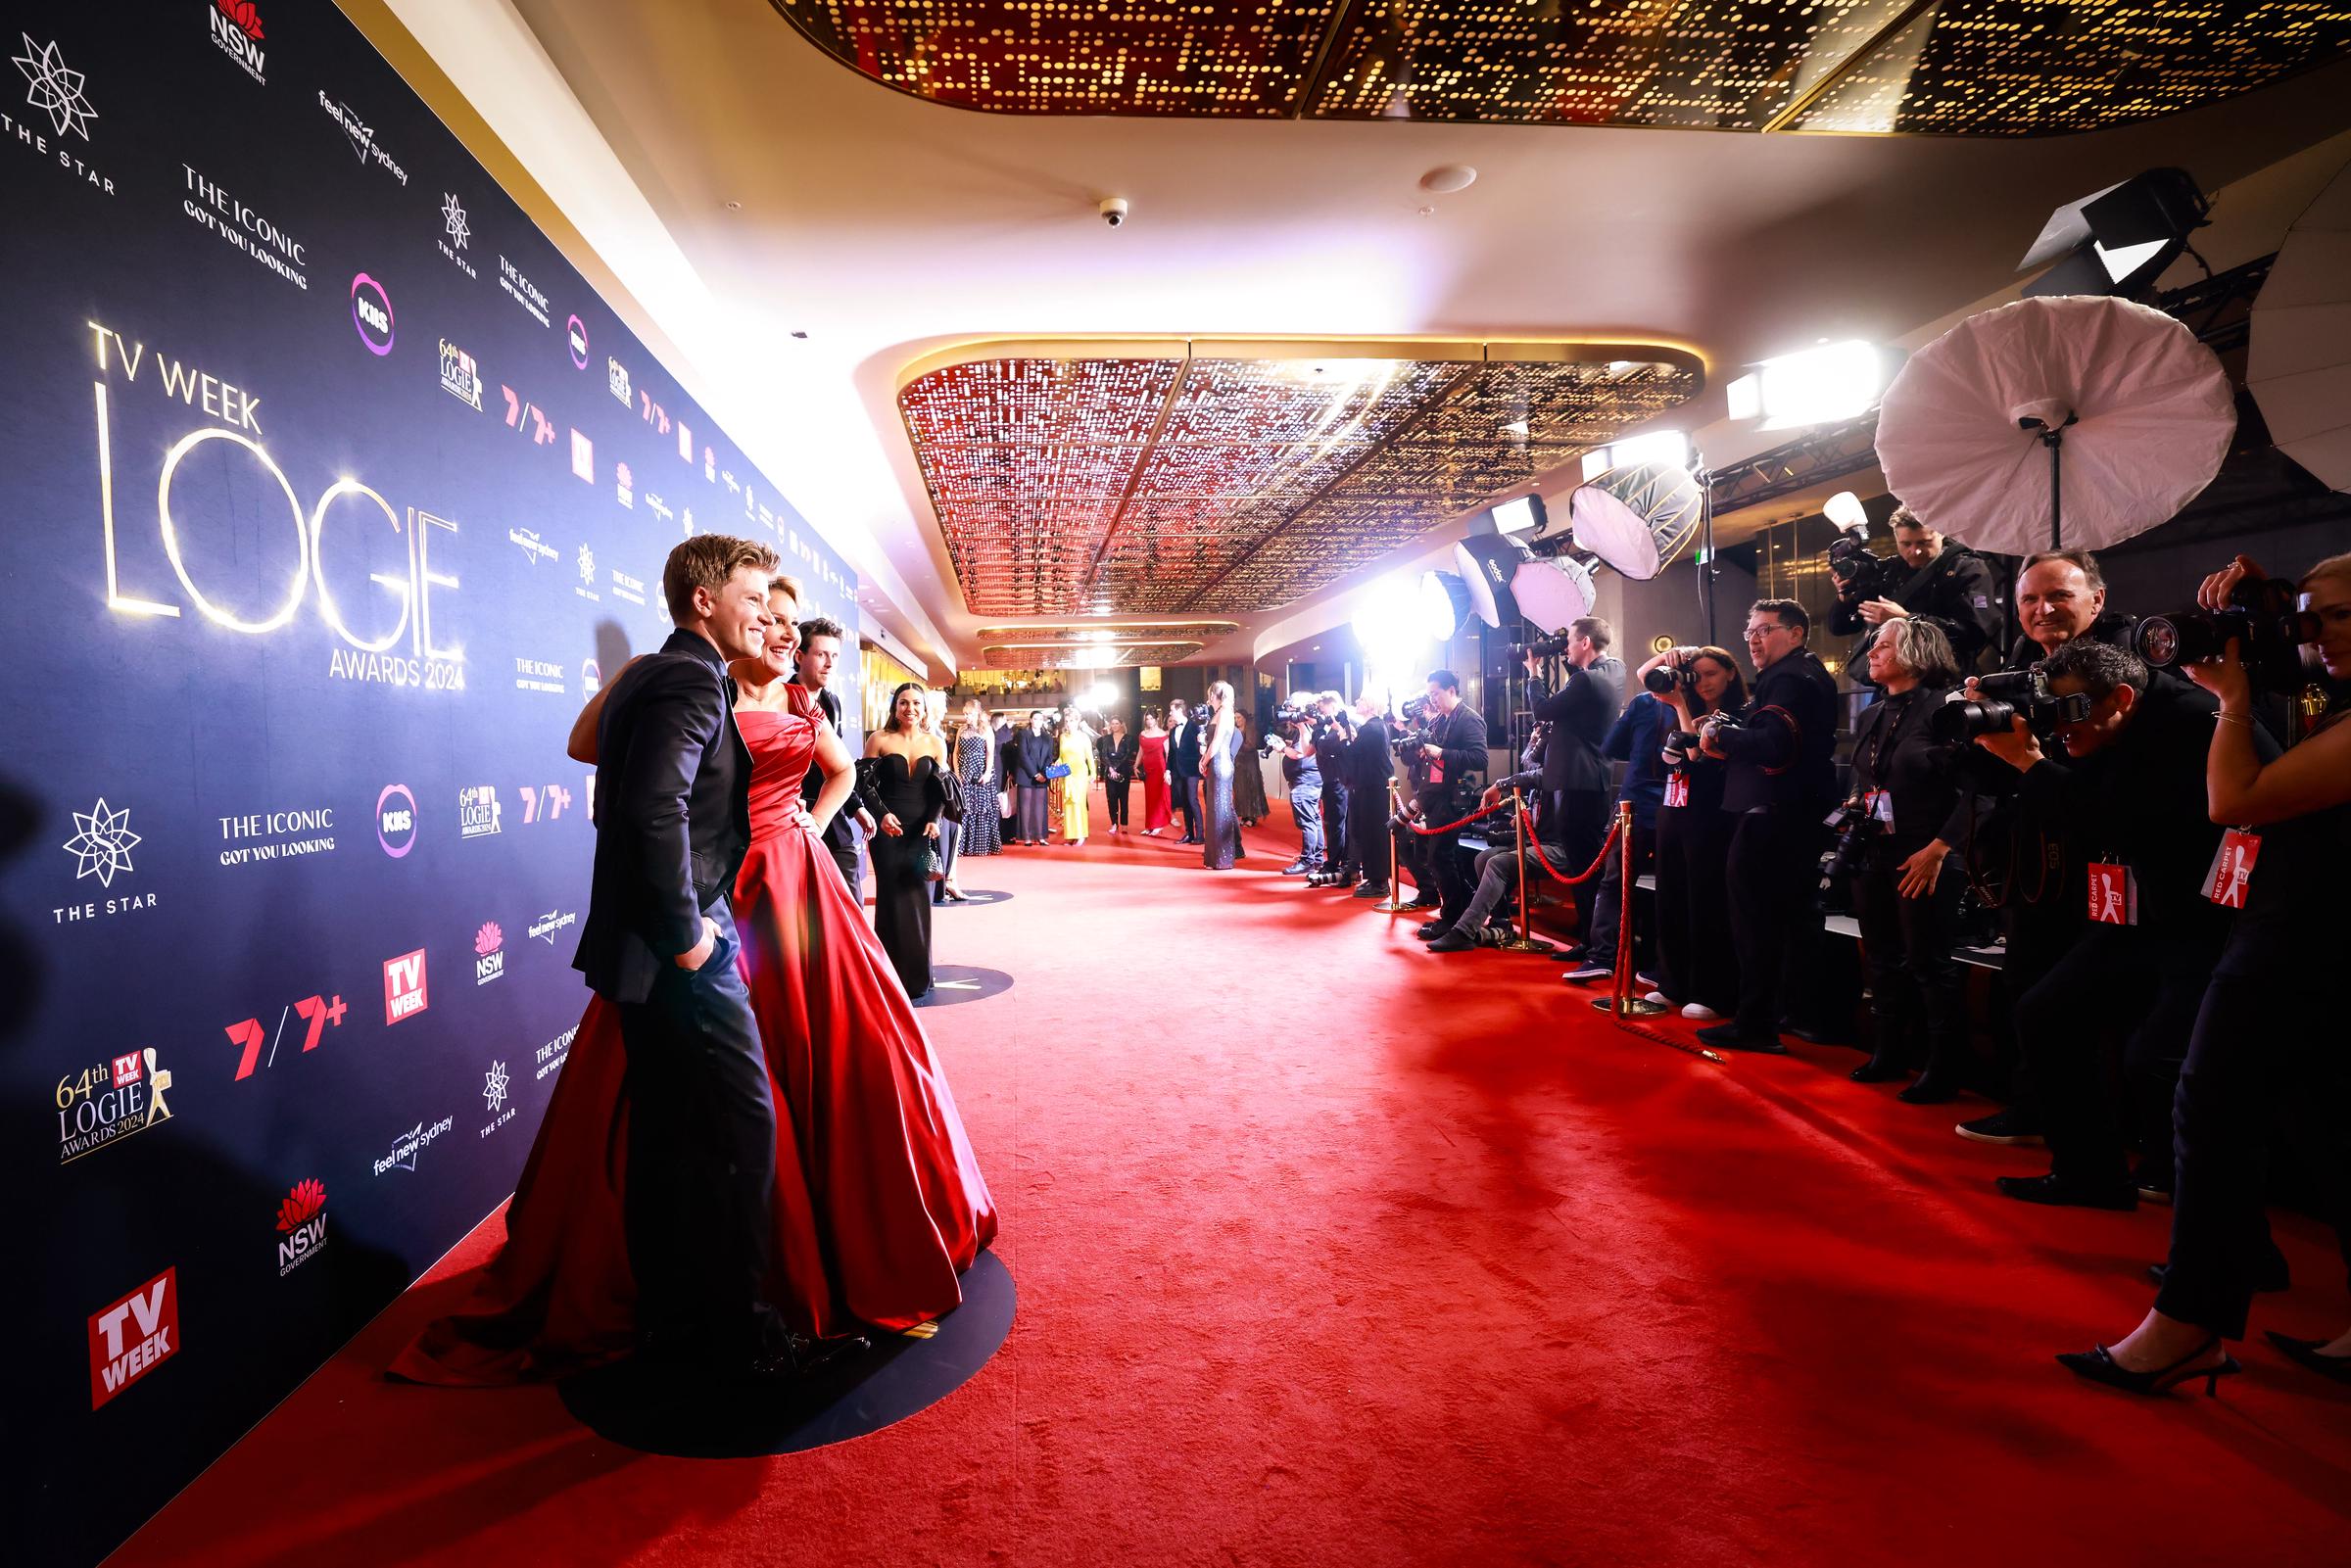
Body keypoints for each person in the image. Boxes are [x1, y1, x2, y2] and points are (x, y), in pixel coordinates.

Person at [395, 544, 994, 1385]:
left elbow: (792, 780)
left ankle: (693, 1313)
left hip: (772, 887)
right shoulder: (681, 677)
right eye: (759, 604)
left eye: (784, 616)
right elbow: (646, 804)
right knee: (740, 1121)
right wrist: (690, 934)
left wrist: (804, 830)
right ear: (707, 600)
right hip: (702, 916)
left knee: (685, 1126)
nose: (777, 626)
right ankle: (742, 1325)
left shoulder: (745, 688)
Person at [2060, 551, 2351, 1395]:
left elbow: (2235, 800)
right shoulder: (2317, 693)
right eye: (2309, 613)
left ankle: (2189, 1322)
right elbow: (2295, 698)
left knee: (2209, 1101)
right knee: (2325, 1118)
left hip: (2303, 935)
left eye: (2340, 614)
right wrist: (2256, 612)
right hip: (2301, 926)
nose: (2318, 633)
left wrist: (2227, 700)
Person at [1968, 635, 2272, 1211]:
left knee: (2157, 1060)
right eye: (2051, 709)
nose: (2061, 727)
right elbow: (2091, 813)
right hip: (2151, 905)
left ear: (2123, 697)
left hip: (2219, 919)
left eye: (2072, 712)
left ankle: (2218, 1221)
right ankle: (2092, 1175)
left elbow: (2116, 815)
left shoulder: (2192, 720)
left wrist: (2030, 764)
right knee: (2044, 1012)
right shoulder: (2095, 719)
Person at [1953, 548, 2144, 1148]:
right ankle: (2036, 1109)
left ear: (2097, 598)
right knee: (2027, 981)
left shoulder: (2130, 661)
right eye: (2030, 599)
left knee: (2104, 1001)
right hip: (2038, 851)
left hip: (2111, 852)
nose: (2043, 610)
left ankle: (2123, 1139)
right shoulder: (2020, 664)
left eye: (2059, 595)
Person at [1842, 619, 1983, 1102]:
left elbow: (1978, 792)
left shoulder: (1947, 710)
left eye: (1882, 645)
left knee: (1928, 961)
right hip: (1876, 848)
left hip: (1929, 852)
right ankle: (1889, 1052)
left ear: (1916, 651)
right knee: (1881, 958)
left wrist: (1941, 849)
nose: (1872, 652)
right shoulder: (1873, 713)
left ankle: (1944, 1068)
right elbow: (1868, 779)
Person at [1695, 599, 1839, 1054]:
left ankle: (1755, 1023)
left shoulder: (1788, 677)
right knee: (1794, 921)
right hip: (1795, 815)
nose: (1754, 639)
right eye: (1750, 630)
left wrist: (1721, 735)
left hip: (1771, 815)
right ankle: (1797, 1015)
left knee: (1755, 922)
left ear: (1796, 633)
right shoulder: (1808, 672)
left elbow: (1774, 746)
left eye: (1765, 630)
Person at [1641, 645, 1745, 1021]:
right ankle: (1672, 983)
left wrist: (1681, 706)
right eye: (1696, 675)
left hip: (1710, 814)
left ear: (1731, 674)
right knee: (1669, 896)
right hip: (1673, 809)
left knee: (1704, 901)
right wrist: (1674, 657)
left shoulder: (1737, 714)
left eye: (1712, 674)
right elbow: (1644, 674)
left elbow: (1696, 756)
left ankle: (1709, 991)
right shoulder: (1680, 703)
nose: (1703, 683)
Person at [1531, 618, 1625, 969]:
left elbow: (1542, 709)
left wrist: (1533, 673)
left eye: (1569, 641)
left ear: (1585, 642)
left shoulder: (1585, 679)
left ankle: (1592, 943)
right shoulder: (1615, 669)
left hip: (1576, 780)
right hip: (1595, 778)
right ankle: (1590, 937)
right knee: (1589, 865)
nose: (1566, 647)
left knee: (1583, 866)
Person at [1567, 665, 1671, 986]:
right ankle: (1662, 966)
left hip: (1634, 802)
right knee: (1673, 888)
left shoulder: (1643, 703)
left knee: (1614, 884)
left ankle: (1601, 957)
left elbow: (1611, 746)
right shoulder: (1704, 703)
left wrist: (1642, 750)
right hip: (1676, 806)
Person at [1829, 505, 2003, 676]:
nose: (1915, 550)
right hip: (1893, 680)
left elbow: (1976, 633)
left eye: (1924, 542)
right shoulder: (1893, 570)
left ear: (1941, 533)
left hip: (1944, 679)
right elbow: (1841, 627)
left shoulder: (1967, 568)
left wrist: (1907, 619)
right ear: (1896, 540)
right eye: (1906, 544)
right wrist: (1845, 597)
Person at [864, 683, 948, 998]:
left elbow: (941, 792)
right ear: (894, 707)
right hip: (887, 833)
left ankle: (918, 977)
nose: (910, 709)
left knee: (918, 899)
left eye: (916, 703)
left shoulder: (935, 743)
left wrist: (935, 819)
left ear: (924, 709)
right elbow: (864, 785)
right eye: (903, 703)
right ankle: (889, 977)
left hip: (921, 833)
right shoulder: (879, 739)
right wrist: (881, 814)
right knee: (890, 900)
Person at [1413, 671, 1491, 939]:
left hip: (1454, 800)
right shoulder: (1443, 720)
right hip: (1437, 798)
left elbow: (1480, 759)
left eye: (1435, 693)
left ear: (1452, 690)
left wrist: (1441, 753)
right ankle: (1459, 912)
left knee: (1440, 856)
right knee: (1443, 856)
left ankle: (1452, 918)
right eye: (1430, 694)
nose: (1432, 699)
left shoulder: (1469, 718)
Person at [793, 615, 865, 894]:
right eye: (821, 654)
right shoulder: (781, 698)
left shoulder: (832, 702)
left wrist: (855, 807)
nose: (830, 663)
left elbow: (840, 764)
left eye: (834, 655)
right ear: (799, 656)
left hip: (831, 810)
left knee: (849, 891)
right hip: (795, 813)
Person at [1346, 691, 1397, 900]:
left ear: (1371, 704)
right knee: (1370, 834)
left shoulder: (1372, 728)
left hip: (1373, 788)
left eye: (1362, 699)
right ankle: (1376, 880)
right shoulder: (1375, 727)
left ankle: (1379, 882)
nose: (1357, 702)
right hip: (1372, 786)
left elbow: (1352, 754)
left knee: (1374, 835)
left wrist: (1343, 739)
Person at [1266, 707, 1326, 875]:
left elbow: (1301, 754)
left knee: (1308, 822)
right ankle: (1317, 859)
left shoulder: (1304, 728)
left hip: (1304, 782)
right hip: (1309, 780)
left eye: (1291, 710)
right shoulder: (1308, 728)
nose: (1288, 716)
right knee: (1314, 820)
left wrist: (1283, 749)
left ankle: (1308, 860)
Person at [949, 697, 1000, 872]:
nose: (966, 718)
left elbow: (990, 754)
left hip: (980, 773)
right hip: (963, 773)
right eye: (965, 714)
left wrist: (987, 773)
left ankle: (980, 845)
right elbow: (955, 753)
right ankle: (963, 846)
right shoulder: (961, 729)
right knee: (965, 809)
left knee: (980, 809)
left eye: (969, 714)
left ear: (977, 714)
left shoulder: (986, 730)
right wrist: (956, 773)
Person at [1199, 680, 1246, 869]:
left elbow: (1218, 742)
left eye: (1210, 693)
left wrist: (1204, 760)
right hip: (1217, 762)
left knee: (1220, 810)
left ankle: (1222, 858)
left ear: (1213, 695)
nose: (1209, 698)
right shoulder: (1219, 713)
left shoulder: (1225, 713)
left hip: (1221, 763)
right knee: (1215, 809)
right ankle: (1216, 857)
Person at [925, 689, 962, 906]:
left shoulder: (936, 729)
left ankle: (947, 882)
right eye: (943, 705)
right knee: (940, 838)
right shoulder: (929, 731)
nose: (947, 709)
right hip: (934, 793)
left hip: (943, 792)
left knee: (951, 833)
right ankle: (942, 884)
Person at [1011, 708, 1056, 845]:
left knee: (1040, 806)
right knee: (1026, 807)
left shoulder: (1047, 736)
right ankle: (1027, 836)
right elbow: (1023, 755)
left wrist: (1043, 773)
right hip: (1026, 774)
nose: (1038, 721)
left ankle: (1041, 836)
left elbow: (1050, 756)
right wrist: (1034, 774)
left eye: (1040, 719)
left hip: (1043, 775)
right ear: (1030, 720)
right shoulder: (1023, 734)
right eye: (1035, 719)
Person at [1056, 704, 1097, 846]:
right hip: (1066, 774)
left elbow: (1089, 756)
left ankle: (1081, 835)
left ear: (1078, 721)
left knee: (1079, 803)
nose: (1069, 724)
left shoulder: (1084, 737)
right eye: (1067, 721)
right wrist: (1057, 761)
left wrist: (1094, 773)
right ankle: (1071, 835)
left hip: (1080, 773)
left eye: (1072, 721)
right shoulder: (1062, 737)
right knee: (1068, 805)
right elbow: (1061, 756)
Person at [1168, 698, 1205, 844]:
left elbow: (1200, 748)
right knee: (1184, 802)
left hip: (1191, 769)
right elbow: (1171, 753)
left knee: (1192, 800)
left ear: (1179, 710)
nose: (1170, 713)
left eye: (1171, 710)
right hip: (1177, 771)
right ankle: (1190, 833)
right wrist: (1168, 771)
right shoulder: (1173, 731)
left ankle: (1200, 834)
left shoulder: (1194, 727)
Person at [1098, 715, 1138, 832]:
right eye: (1112, 723)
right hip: (1110, 772)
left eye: (1117, 723)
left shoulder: (1129, 738)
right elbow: (1104, 755)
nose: (1114, 726)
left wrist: (1117, 767)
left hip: (1123, 770)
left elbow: (1128, 754)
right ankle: (1114, 823)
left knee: (1124, 798)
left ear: (1121, 724)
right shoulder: (1105, 739)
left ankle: (1124, 823)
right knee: (1111, 798)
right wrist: (1111, 768)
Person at [1138, 709, 1173, 835]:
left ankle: (1158, 825)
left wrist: (1168, 770)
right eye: (1147, 719)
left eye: (1151, 718)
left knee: (1159, 796)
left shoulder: (1163, 734)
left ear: (1156, 719)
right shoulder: (1143, 734)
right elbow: (1140, 751)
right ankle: (1150, 825)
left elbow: (1168, 753)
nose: (1149, 721)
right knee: (1149, 797)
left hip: (1159, 767)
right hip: (1147, 768)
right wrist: (1136, 765)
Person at [1232, 713, 1270, 826]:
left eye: (1239, 717)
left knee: (1251, 789)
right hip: (1238, 764)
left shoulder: (1250, 729)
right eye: (1235, 718)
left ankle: (1252, 816)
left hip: (1249, 764)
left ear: (1245, 718)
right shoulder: (1235, 730)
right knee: (1240, 790)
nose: (1237, 720)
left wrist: (1236, 744)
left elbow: (1250, 745)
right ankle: (1244, 815)